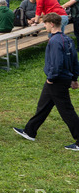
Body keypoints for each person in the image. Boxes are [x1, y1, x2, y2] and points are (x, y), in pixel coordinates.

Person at [13, 13, 79, 150]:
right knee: (43, 106)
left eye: (45, 23)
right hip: (61, 79)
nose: (44, 26)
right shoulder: (68, 39)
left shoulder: (54, 41)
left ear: (52, 24)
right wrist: (74, 78)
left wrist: (51, 78)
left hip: (57, 80)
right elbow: (74, 61)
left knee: (67, 110)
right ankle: (30, 131)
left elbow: (57, 63)